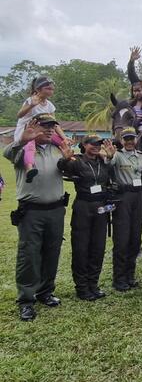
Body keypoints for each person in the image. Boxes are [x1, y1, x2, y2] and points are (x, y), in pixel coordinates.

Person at [4, 114, 69, 321]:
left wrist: (70, 159)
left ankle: (45, 292)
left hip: (56, 210)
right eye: (45, 127)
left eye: (52, 127)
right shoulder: (24, 150)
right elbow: (8, 153)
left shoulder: (57, 149)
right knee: (29, 255)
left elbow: (72, 169)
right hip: (32, 211)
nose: (50, 130)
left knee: (52, 251)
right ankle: (26, 300)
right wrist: (23, 139)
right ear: (34, 127)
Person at [58, 135, 113, 301]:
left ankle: (93, 284)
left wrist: (110, 157)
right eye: (92, 144)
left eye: (98, 144)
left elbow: (111, 176)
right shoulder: (77, 161)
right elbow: (62, 168)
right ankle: (82, 287)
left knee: (98, 247)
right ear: (84, 145)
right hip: (83, 206)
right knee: (81, 248)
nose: (96, 147)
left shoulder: (103, 162)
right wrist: (64, 159)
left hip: (101, 206)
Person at [105, 127, 142, 291]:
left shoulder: (140, 156)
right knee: (122, 239)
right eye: (126, 139)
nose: (129, 142)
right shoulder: (117, 155)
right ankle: (119, 278)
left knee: (135, 239)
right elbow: (109, 163)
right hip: (123, 197)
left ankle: (130, 276)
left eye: (132, 139)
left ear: (135, 140)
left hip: (138, 197)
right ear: (121, 140)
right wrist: (108, 156)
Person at [14, 76, 67, 183]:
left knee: (63, 143)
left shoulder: (50, 105)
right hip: (28, 131)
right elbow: (19, 115)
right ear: (38, 89)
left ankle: (71, 162)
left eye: (52, 89)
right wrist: (31, 106)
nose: (51, 91)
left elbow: (55, 124)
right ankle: (29, 168)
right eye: (48, 89)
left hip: (43, 131)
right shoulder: (31, 100)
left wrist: (64, 138)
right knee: (30, 146)